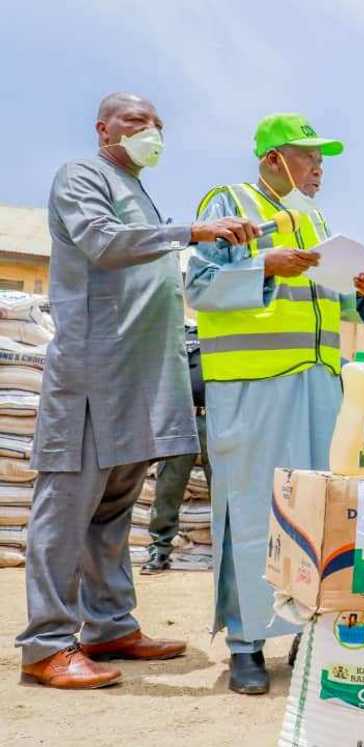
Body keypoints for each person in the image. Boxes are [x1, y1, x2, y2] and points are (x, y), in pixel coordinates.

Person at [17, 93, 260, 689]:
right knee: (67, 509)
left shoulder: (137, 189)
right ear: (104, 128)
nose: (151, 131)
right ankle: (46, 645)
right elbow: (102, 242)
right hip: (92, 373)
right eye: (136, 122)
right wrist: (190, 230)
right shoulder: (82, 176)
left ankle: (110, 626)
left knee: (112, 511)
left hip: (136, 378)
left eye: (158, 123)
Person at [186, 113, 364, 695]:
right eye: (308, 157)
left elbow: (325, 302)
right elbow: (197, 288)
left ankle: (306, 636)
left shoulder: (314, 220)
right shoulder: (229, 203)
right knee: (251, 513)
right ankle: (247, 644)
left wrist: (361, 292)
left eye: (322, 159)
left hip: (318, 382)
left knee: (314, 516)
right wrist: (263, 266)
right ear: (274, 159)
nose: (319, 169)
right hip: (253, 384)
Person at [142, 323, 210, 574]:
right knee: (168, 487)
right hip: (180, 418)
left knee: (223, 488)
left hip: (216, 419)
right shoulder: (180, 334)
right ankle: (159, 550)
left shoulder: (223, 331)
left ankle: (228, 553)